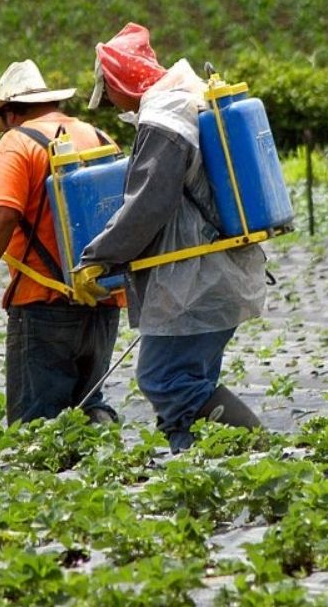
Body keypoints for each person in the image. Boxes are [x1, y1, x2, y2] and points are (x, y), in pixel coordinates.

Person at [73, 23, 266, 453]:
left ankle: (257, 452)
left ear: (119, 82)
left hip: (193, 278)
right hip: (212, 271)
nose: (110, 104)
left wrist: (98, 256)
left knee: (167, 379)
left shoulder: (165, 117)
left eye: (109, 93)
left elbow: (148, 203)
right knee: (187, 383)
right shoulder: (182, 102)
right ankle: (195, 465)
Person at [0, 60, 123, 426]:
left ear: (10, 113)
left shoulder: (17, 142)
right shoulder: (100, 138)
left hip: (42, 304)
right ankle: (107, 442)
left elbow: (3, 214)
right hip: (103, 299)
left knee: (34, 425)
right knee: (87, 405)